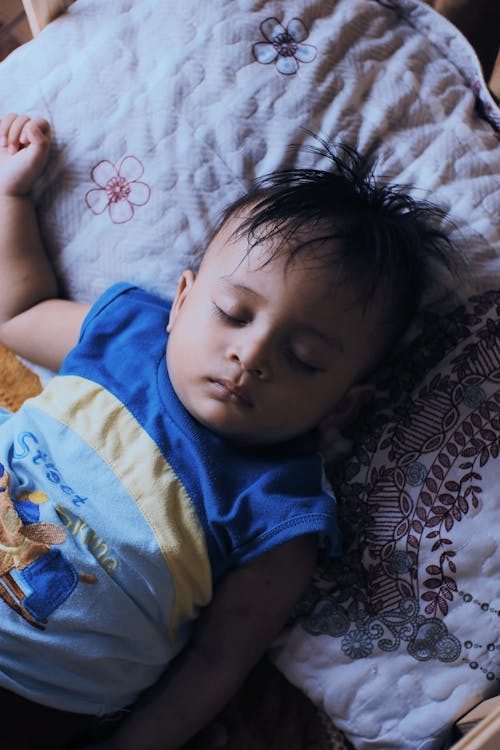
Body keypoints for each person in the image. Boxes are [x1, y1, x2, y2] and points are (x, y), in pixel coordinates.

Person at [0, 113, 455, 750]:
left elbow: (216, 665)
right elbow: (19, 313)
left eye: (305, 359)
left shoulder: (281, 511)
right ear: (182, 299)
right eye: (233, 313)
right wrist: (13, 195)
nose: (253, 354)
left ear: (344, 404)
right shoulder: (129, 337)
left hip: (33, 694)